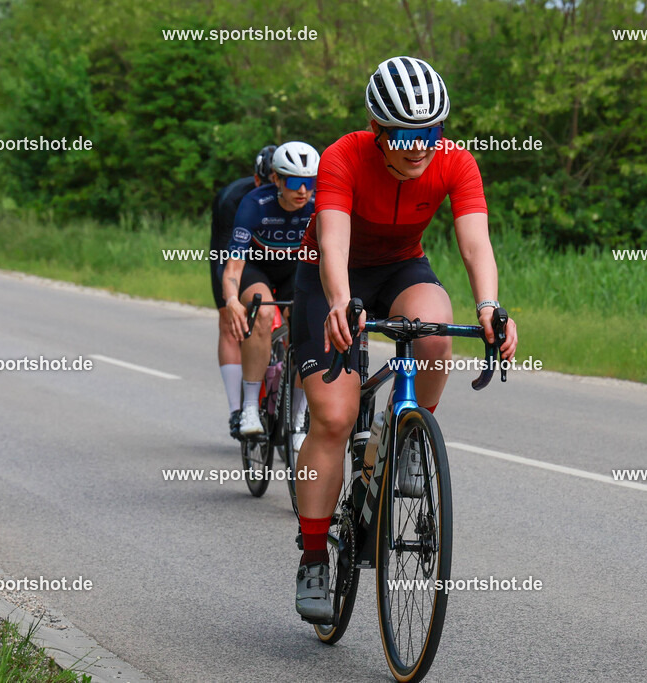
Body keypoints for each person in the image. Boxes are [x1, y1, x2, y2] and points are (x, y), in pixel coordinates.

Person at [290, 56, 518, 622]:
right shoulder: (345, 156)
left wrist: (489, 306)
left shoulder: (455, 163)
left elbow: (475, 246)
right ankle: (316, 556)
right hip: (331, 276)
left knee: (436, 336)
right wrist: (341, 302)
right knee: (335, 417)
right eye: (406, 135)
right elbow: (334, 241)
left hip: (400, 268)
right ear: (378, 131)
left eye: (431, 132)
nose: (421, 147)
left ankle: (410, 437)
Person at [222, 141, 320, 440]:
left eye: (310, 182)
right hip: (257, 269)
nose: (302, 190)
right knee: (262, 312)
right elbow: (234, 267)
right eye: (294, 182)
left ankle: (300, 417)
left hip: (295, 269)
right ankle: (250, 408)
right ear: (276, 179)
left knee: (306, 325)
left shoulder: (320, 206)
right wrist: (230, 300)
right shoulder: (255, 204)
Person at [211, 144, 278, 438]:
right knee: (230, 323)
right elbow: (227, 258)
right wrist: (232, 298)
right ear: (256, 179)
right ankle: (237, 410)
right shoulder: (234, 199)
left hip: (280, 258)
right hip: (236, 258)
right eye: (267, 184)